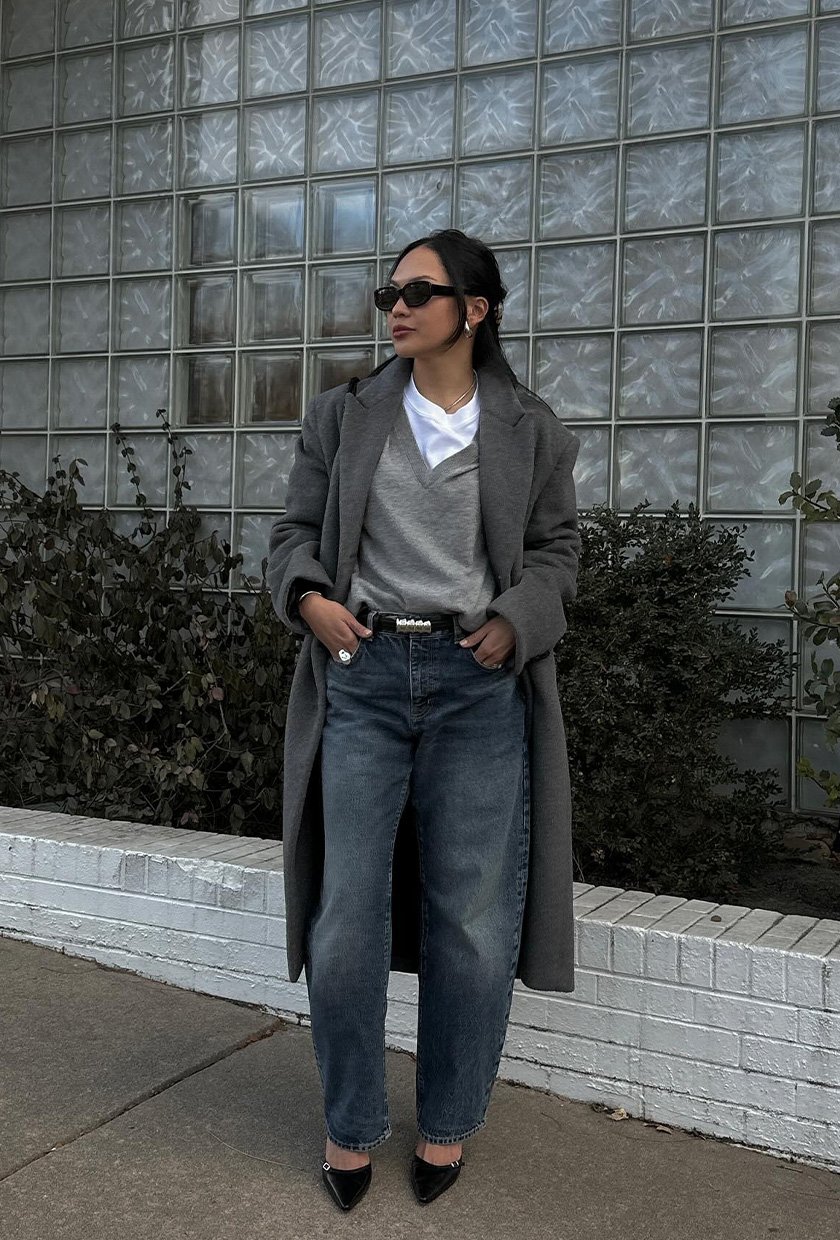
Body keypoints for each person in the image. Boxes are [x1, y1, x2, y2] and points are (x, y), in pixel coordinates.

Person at [267, 228, 581, 1212]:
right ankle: (350, 1122)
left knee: (472, 923)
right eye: (387, 291)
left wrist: (514, 624)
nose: (395, 306)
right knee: (347, 913)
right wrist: (312, 599)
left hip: (475, 685)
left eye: (417, 290)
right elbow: (287, 536)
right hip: (361, 675)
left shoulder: (532, 428)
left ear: (474, 309)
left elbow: (557, 556)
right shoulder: (344, 415)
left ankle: (446, 1121)